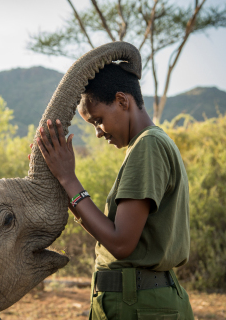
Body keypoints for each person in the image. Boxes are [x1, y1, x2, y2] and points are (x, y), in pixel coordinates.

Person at [35, 63, 194, 319]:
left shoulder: (149, 145)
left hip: (141, 306)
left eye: (98, 120)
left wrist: (68, 179)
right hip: (133, 302)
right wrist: (63, 182)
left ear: (122, 101)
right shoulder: (146, 145)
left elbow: (120, 243)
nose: (98, 133)